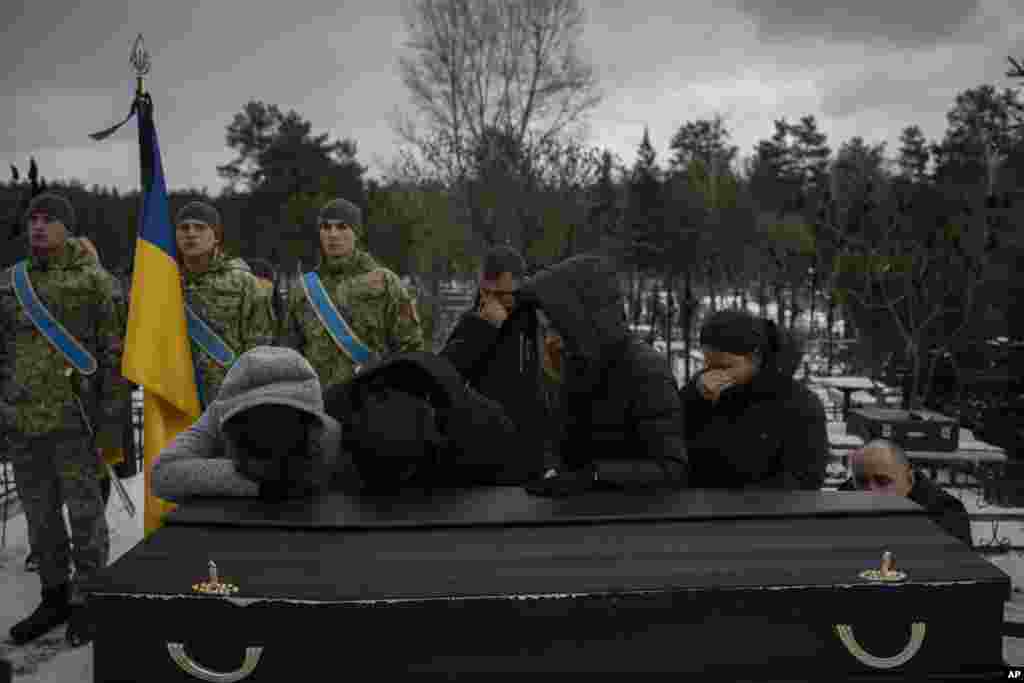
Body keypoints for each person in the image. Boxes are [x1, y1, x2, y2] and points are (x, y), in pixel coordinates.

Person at [0, 193, 126, 646]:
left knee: (85, 517)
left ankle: (90, 600)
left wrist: (111, 423)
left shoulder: (96, 282)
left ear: (67, 228)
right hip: (23, 422)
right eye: (32, 219)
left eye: (49, 219)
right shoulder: (9, 283)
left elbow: (114, 358)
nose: (38, 226)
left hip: (78, 423)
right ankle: (53, 596)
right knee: (40, 519)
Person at [513, 253, 688, 496]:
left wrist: (595, 476)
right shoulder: (579, 363)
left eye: (556, 328)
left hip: (635, 522)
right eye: (544, 331)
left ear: (582, 321)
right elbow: (564, 445)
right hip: (584, 518)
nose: (551, 340)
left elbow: (671, 470)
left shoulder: (646, 372)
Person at [21, 237, 127, 573]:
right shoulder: (34, 286)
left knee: (89, 495)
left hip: (90, 404)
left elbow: (114, 345)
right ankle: (55, 576)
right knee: (45, 503)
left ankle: (89, 580)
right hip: (42, 408)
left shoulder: (103, 288)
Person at [152, 346, 348, 502]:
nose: (270, 436)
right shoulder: (217, 414)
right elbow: (162, 474)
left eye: (281, 425)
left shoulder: (326, 432)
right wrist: (267, 482)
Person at [279, 197, 425, 388]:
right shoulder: (303, 289)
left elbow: (411, 348)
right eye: (325, 227)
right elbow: (289, 355)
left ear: (356, 233)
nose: (333, 234)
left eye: (342, 227)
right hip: (319, 404)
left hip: (371, 402)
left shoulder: (385, 283)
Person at [680, 309, 828, 490]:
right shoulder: (698, 392)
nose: (714, 374)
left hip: (761, 513)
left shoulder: (799, 405)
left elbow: (804, 478)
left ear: (756, 357)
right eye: (709, 366)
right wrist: (694, 399)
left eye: (725, 366)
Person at [440, 245, 549, 481]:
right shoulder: (473, 322)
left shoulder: (538, 317)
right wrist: (484, 329)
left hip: (533, 452)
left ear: (522, 287)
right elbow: (445, 376)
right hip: (489, 450)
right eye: (485, 292)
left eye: (501, 294)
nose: (491, 300)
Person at [175, 201, 275, 408]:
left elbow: (260, 348)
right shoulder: (164, 284)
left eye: (200, 227)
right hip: (176, 398)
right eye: (184, 228)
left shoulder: (243, 282)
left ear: (216, 236)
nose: (191, 234)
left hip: (229, 399)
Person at [840, 439, 972, 546]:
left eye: (883, 481)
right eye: (861, 481)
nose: (870, 491)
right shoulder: (845, 496)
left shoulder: (946, 514)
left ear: (910, 479)